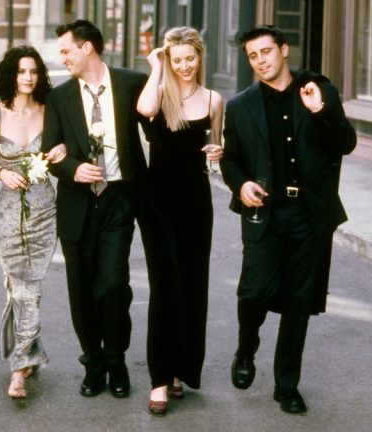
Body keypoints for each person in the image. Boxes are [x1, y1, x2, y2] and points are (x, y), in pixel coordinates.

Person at [220, 25, 356, 414]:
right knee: (254, 291)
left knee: (299, 300)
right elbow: (231, 159)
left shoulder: (317, 91)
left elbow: (345, 143)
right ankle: (246, 348)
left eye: (266, 51)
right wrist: (241, 184)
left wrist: (321, 111)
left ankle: (287, 385)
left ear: (283, 50)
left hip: (309, 213)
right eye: (252, 56)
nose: (260, 61)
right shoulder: (240, 106)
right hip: (264, 211)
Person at [41, 19, 149, 399]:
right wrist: (73, 168)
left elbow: (158, 126)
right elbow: (50, 152)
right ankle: (93, 362)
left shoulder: (132, 83)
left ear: (87, 47)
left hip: (119, 199)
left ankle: (117, 360)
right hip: (77, 204)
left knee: (112, 284)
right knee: (82, 290)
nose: (63, 58)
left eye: (66, 50)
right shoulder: (59, 97)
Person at [135, 26, 223, 416]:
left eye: (190, 58)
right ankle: (158, 378)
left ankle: (179, 371)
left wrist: (218, 152)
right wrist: (156, 65)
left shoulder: (214, 99)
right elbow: (144, 110)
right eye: (177, 59)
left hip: (196, 203)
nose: (184, 66)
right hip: (158, 202)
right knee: (164, 287)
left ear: (200, 57)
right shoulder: (159, 93)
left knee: (191, 286)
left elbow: (216, 146)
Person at [0, 45, 66, 399]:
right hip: (5, 211)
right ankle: (24, 360)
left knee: (29, 287)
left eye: (33, 71)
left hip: (44, 208)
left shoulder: (51, 111)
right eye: (21, 71)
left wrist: (62, 151)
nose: (28, 78)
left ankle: (21, 362)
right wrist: (2, 172)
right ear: (10, 75)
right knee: (18, 286)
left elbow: (64, 149)